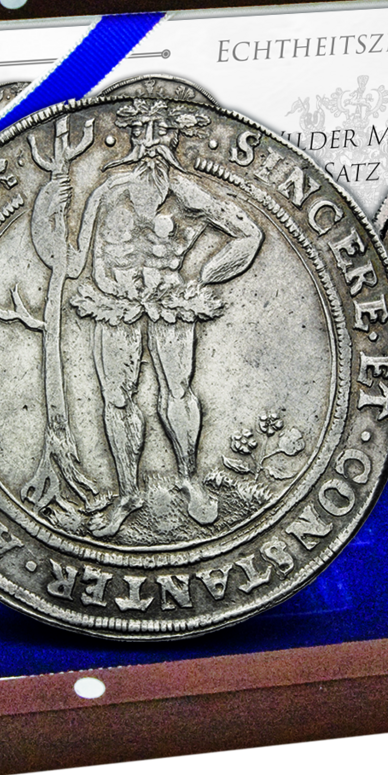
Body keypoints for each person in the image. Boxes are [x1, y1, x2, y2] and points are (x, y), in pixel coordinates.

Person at [67, 100, 262, 535]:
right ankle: (128, 494)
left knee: (177, 391)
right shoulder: (106, 191)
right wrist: (49, 205)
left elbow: (249, 235)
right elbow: (75, 262)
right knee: (118, 399)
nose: (153, 141)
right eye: (144, 131)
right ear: (133, 137)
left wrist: (205, 276)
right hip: (114, 304)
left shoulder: (192, 195)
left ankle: (189, 480)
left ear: (175, 138)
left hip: (171, 301)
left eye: (163, 132)